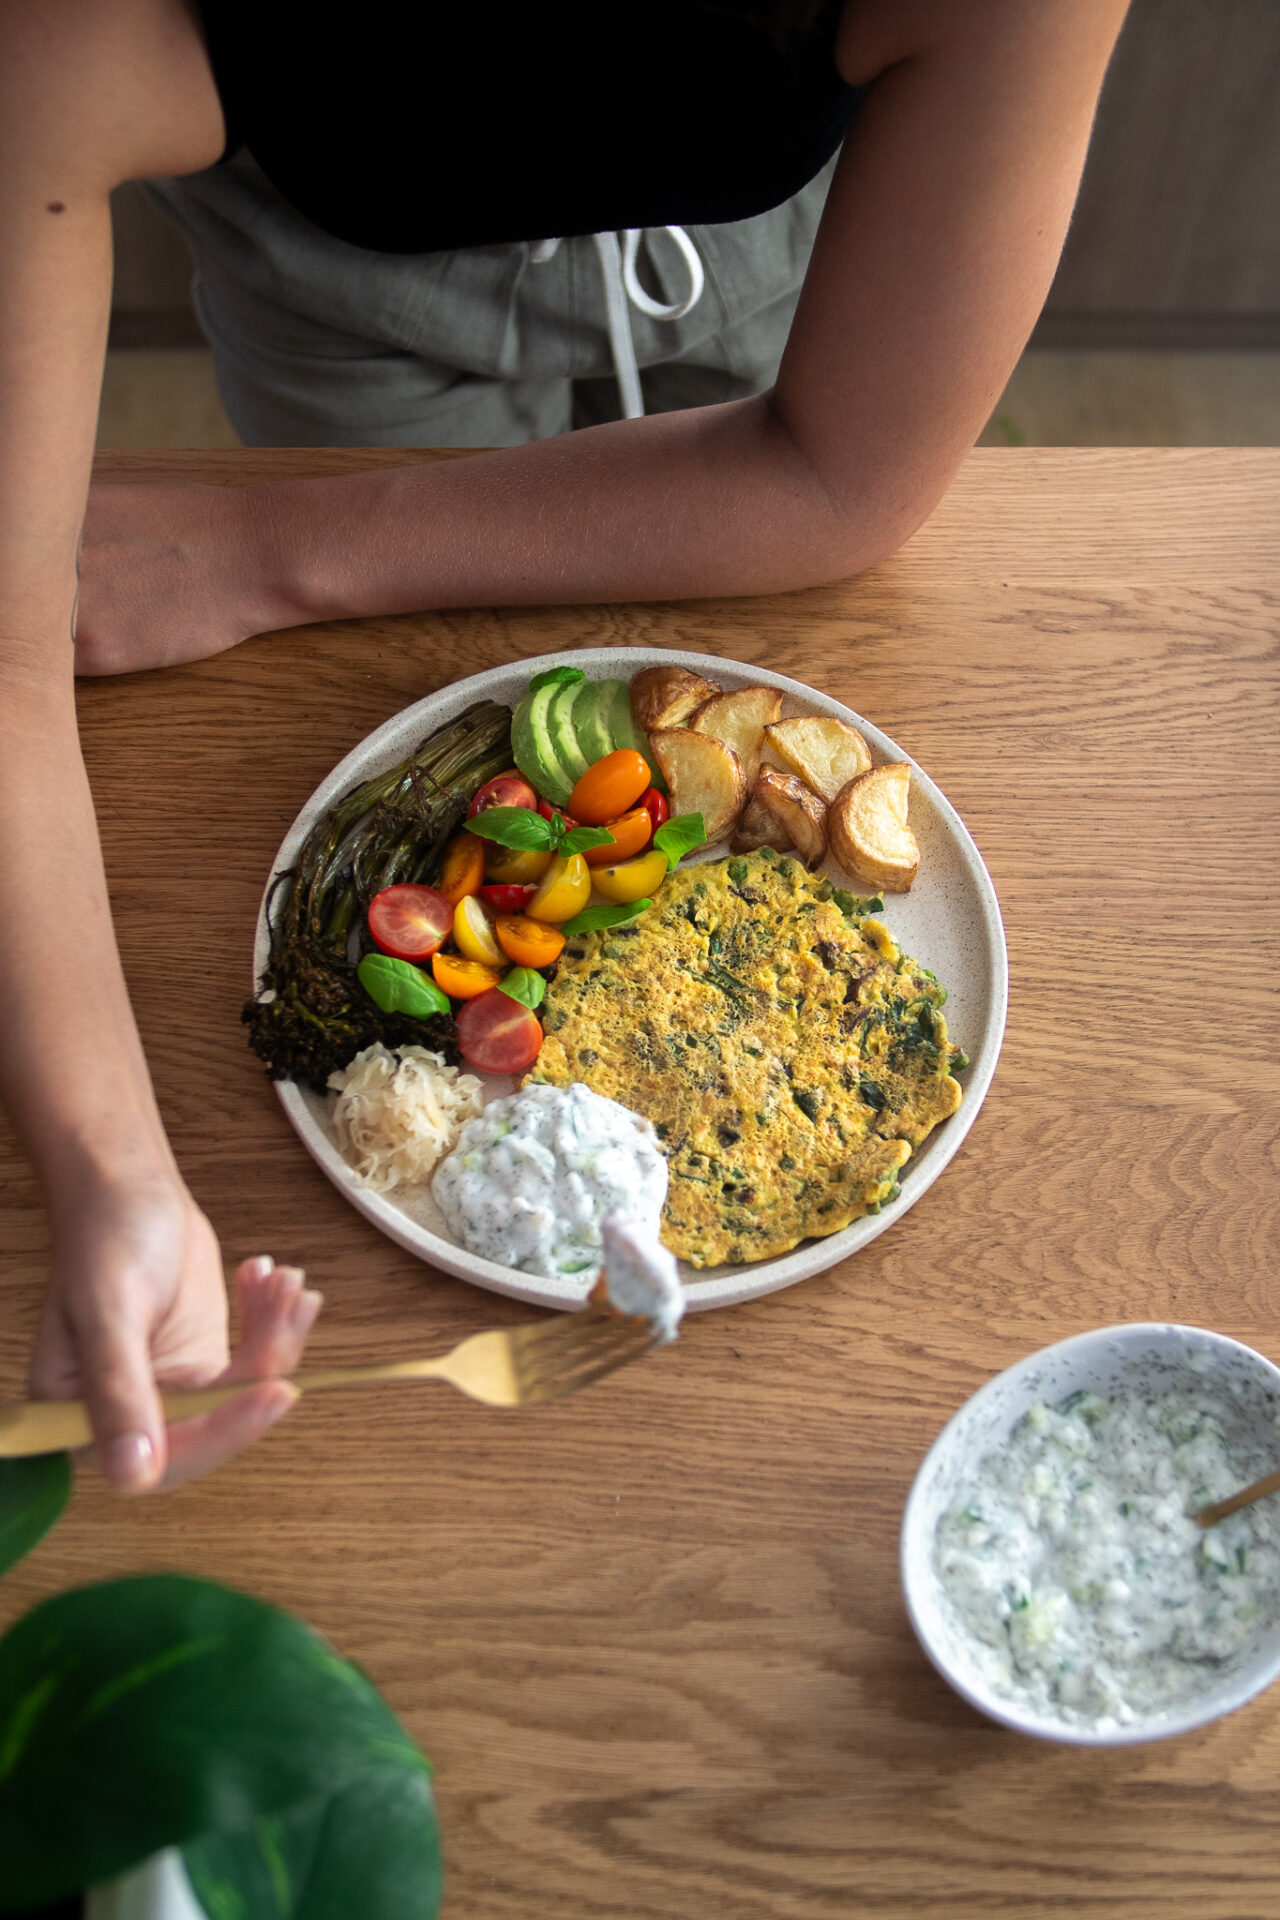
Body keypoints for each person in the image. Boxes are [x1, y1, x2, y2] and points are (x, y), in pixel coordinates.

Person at [0, 0, 1131, 1492]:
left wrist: (275, 552)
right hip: (343, 281)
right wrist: (114, 1175)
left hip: (748, 233)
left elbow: (839, 475)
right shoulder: (68, 28)